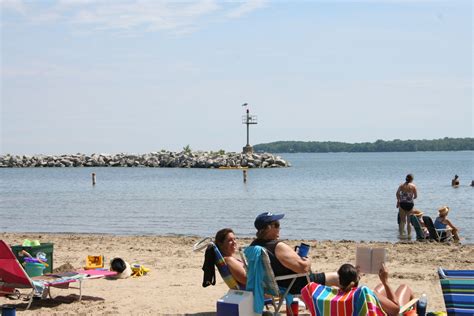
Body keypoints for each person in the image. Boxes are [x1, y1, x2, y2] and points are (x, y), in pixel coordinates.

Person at [249, 212, 339, 294]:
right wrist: (307, 261)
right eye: (276, 225)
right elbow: (303, 269)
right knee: (340, 277)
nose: (279, 228)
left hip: (271, 286)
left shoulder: (253, 246)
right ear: (268, 228)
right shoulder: (278, 246)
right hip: (293, 284)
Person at [337, 263, 415, 316]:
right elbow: (396, 310)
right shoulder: (366, 293)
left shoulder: (335, 294)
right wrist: (385, 282)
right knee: (404, 287)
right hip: (392, 313)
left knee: (381, 287)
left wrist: (357, 278)